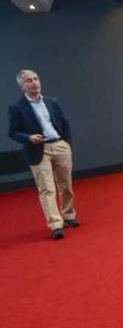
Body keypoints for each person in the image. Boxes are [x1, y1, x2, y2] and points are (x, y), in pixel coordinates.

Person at [8, 69, 79, 240]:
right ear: (22, 86)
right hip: (38, 150)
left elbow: (64, 122)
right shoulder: (16, 108)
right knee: (47, 189)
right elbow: (13, 132)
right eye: (29, 81)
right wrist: (28, 137)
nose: (35, 83)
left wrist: (66, 143)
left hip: (59, 145)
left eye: (36, 79)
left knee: (66, 185)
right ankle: (55, 224)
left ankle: (68, 215)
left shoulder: (51, 102)